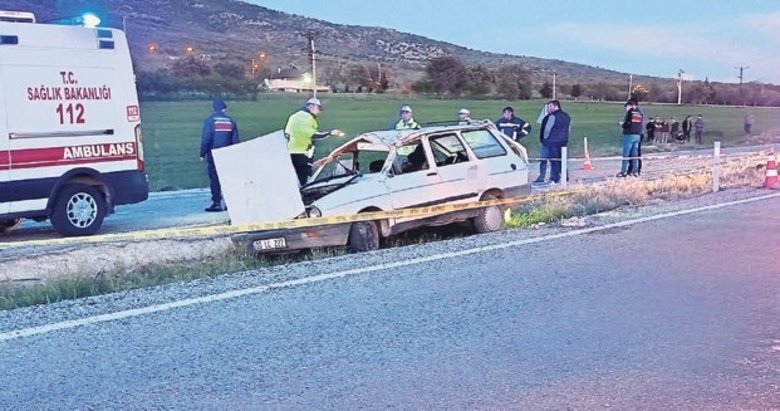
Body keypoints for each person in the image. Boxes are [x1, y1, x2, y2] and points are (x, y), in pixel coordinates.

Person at [285, 97, 343, 186]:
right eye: (318, 108)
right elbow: (313, 135)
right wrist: (330, 133)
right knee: (304, 182)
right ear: (311, 106)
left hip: (289, 153)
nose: (319, 112)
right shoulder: (307, 118)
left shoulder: (294, 116)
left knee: (293, 179)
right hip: (302, 153)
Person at [200, 99, 239, 212]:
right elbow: (235, 140)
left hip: (214, 154)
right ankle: (230, 203)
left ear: (213, 108)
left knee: (215, 179)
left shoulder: (210, 121)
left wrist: (202, 154)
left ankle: (217, 203)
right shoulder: (231, 121)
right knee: (228, 179)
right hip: (228, 154)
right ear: (224, 109)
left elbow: (206, 139)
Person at [534, 100, 570, 184]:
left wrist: (544, 139)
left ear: (555, 106)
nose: (548, 109)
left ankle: (554, 178)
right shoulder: (566, 116)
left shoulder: (552, 116)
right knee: (561, 160)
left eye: (549, 107)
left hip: (551, 142)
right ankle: (565, 176)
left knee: (552, 161)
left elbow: (547, 130)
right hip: (563, 141)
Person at [617, 98, 643, 177]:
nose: (626, 108)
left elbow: (627, 124)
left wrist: (622, 125)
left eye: (627, 106)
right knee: (635, 155)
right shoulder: (640, 113)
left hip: (629, 135)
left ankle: (623, 171)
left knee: (626, 155)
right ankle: (635, 171)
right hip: (637, 135)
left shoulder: (630, 113)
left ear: (630, 105)